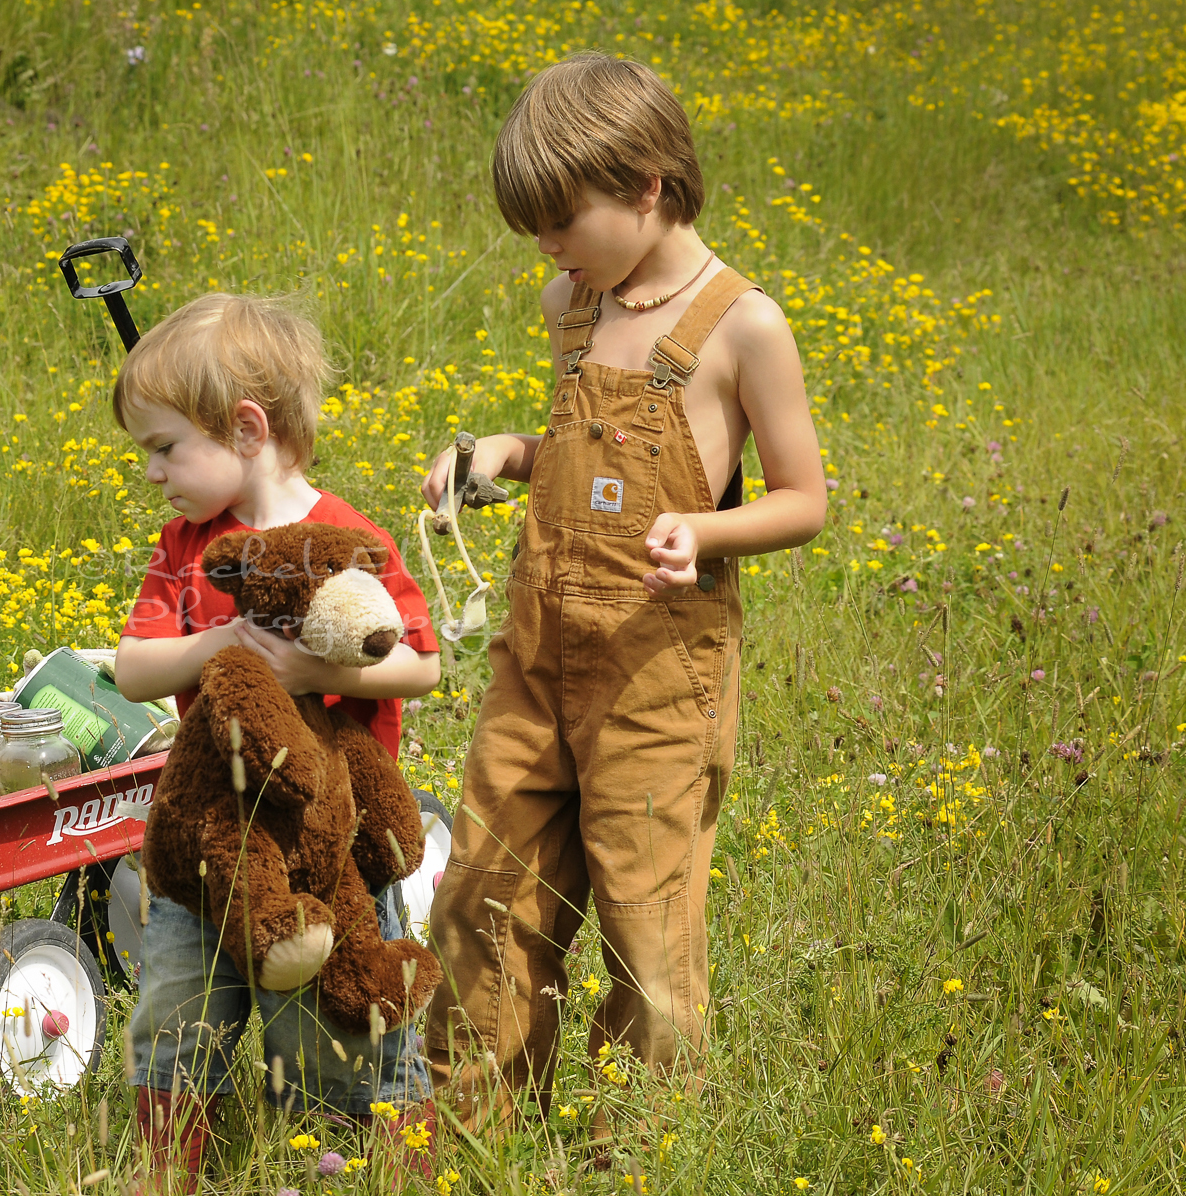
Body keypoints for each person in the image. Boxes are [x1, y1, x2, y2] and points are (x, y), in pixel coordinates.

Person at [418, 51, 827, 1136]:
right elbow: (573, 437)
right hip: (535, 657)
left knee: (645, 924)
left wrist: (706, 526)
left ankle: (635, 1148)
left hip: (656, 674)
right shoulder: (574, 301)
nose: (546, 248)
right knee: (481, 893)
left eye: (559, 220)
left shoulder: (744, 327)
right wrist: (503, 450)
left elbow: (804, 499)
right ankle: (474, 1136)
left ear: (647, 184)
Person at [112, 292, 443, 1193]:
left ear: (247, 429)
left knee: (334, 1032)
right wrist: (213, 644)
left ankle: (378, 1166)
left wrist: (311, 678)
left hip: (323, 846)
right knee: (176, 1019)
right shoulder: (187, 549)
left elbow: (421, 666)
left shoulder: (352, 544)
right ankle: (166, 1169)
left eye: (165, 447)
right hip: (207, 851)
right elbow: (134, 667)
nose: (153, 473)